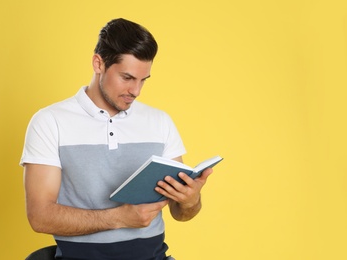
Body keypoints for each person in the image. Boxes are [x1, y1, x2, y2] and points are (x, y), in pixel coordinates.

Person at [20, 18, 213, 260]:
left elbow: (182, 213)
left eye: (143, 80)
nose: (136, 91)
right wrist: (119, 218)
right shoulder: (50, 122)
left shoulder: (160, 122)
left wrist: (190, 200)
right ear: (98, 63)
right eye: (127, 78)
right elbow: (39, 216)